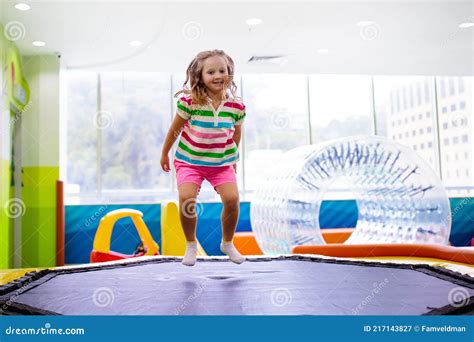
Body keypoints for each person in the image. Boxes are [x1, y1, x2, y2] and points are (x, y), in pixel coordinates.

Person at [160, 50, 246, 266]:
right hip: (190, 161)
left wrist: (233, 158)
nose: (217, 75)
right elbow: (174, 130)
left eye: (222, 71)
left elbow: (236, 134)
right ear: (200, 76)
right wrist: (164, 153)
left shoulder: (236, 107)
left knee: (232, 199)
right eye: (211, 72)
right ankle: (190, 244)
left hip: (221, 164)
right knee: (187, 199)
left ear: (229, 73)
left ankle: (227, 242)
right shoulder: (190, 102)